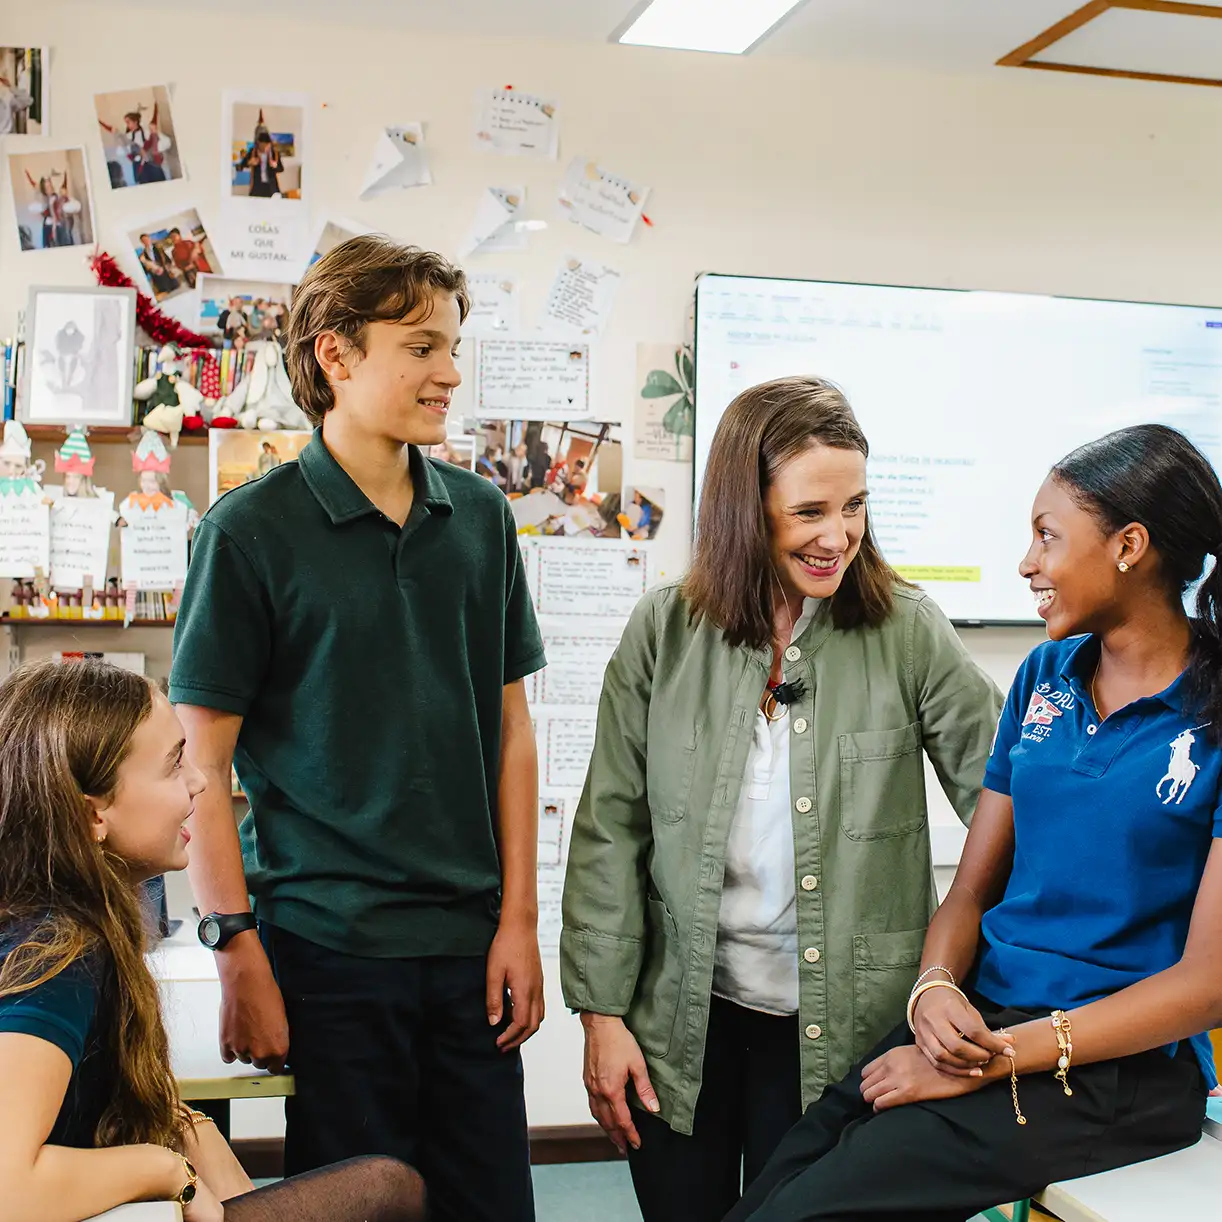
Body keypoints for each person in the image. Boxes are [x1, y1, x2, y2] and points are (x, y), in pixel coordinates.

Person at [725, 423, 1222, 1221]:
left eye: (1047, 537)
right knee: (777, 1188)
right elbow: (972, 891)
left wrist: (991, 1063)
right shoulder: (1045, 674)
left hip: (1117, 1065)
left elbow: (1206, 986)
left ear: (1130, 546)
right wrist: (932, 990)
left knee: (805, 1212)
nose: (1028, 562)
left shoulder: (1214, 714)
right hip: (988, 1018)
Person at [561, 376, 1004, 1222]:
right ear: (745, 508)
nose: (838, 535)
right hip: (679, 1024)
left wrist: (955, 976)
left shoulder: (908, 629)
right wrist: (602, 1017)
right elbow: (611, 830)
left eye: (855, 507)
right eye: (810, 512)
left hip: (843, 1033)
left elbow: (1007, 800)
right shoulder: (663, 630)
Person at [169, 234, 545, 1222]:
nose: (449, 372)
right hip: (324, 950)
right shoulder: (248, 531)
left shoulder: (482, 518)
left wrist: (518, 921)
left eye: (451, 346)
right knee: (363, 1205)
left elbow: (511, 736)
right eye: (421, 347)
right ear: (335, 354)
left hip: (468, 949)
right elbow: (200, 764)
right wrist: (233, 946)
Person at [0, 658, 428, 1222]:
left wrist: (202, 1157)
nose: (200, 780)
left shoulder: (63, 923)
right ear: (92, 815)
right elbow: (8, 1188)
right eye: (174, 765)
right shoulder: (57, 960)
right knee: (389, 1189)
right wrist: (168, 1172)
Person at [239, 130, 284, 198]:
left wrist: (275, 166)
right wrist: (249, 162)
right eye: (262, 146)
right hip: (257, 188)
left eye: (267, 146)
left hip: (271, 188)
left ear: (269, 144)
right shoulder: (252, 152)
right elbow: (241, 166)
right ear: (258, 144)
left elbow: (281, 169)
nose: (264, 149)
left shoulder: (275, 154)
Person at [136, 234, 180, 299]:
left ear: (149, 239)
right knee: (166, 296)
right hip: (157, 278)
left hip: (166, 274)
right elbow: (145, 269)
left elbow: (166, 258)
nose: (146, 241)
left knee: (176, 291)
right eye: (144, 240)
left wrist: (167, 266)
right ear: (142, 242)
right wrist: (152, 270)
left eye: (146, 239)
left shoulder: (158, 248)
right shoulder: (143, 255)